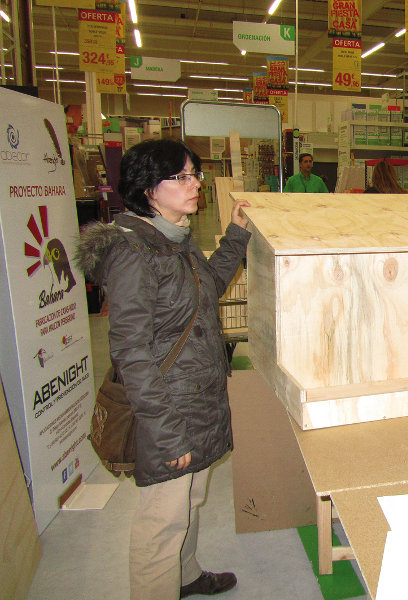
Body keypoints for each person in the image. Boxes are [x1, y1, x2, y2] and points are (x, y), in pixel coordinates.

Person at [75, 139, 251, 599]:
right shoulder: (134, 253)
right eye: (183, 177)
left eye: (195, 175)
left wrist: (235, 236)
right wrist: (165, 431)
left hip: (196, 399)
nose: (196, 185)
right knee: (161, 521)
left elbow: (207, 288)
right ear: (149, 189)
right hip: (167, 410)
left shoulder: (175, 239)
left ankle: (186, 574)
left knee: (189, 501)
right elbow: (130, 352)